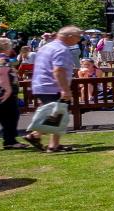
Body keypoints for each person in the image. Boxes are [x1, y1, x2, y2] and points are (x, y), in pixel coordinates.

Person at [24, 24, 82, 153]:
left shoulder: (46, 47)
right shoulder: (61, 50)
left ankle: (44, 139)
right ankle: (45, 141)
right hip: (53, 87)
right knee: (58, 113)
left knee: (56, 114)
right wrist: (65, 90)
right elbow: (58, 71)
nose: (79, 40)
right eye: (78, 37)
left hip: (41, 85)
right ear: (70, 36)